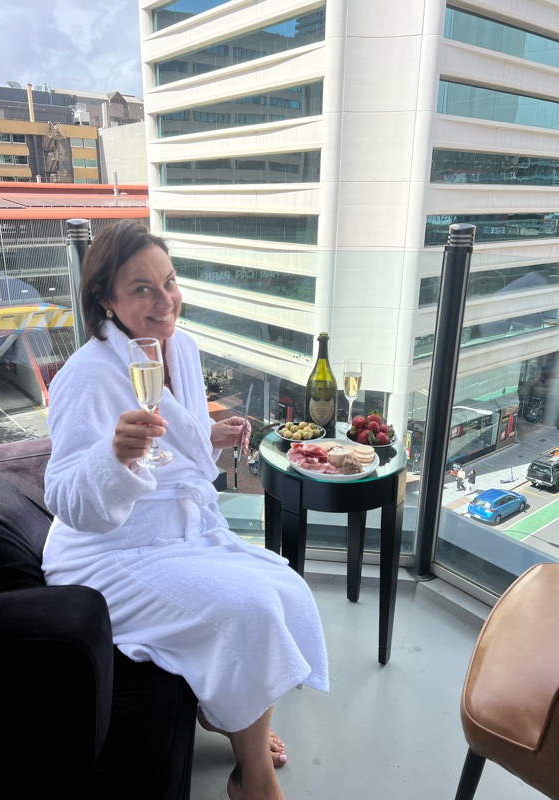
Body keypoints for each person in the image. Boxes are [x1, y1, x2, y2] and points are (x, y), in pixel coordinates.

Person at [42, 221, 329, 800]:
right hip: (109, 551)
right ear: (106, 299)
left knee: (288, 589)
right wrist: (112, 458)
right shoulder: (86, 375)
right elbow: (65, 497)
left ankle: (231, 714)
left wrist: (208, 437)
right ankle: (253, 777)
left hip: (181, 533)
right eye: (141, 289)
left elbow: (176, 447)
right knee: (248, 608)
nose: (165, 299)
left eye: (168, 281)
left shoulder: (185, 349)